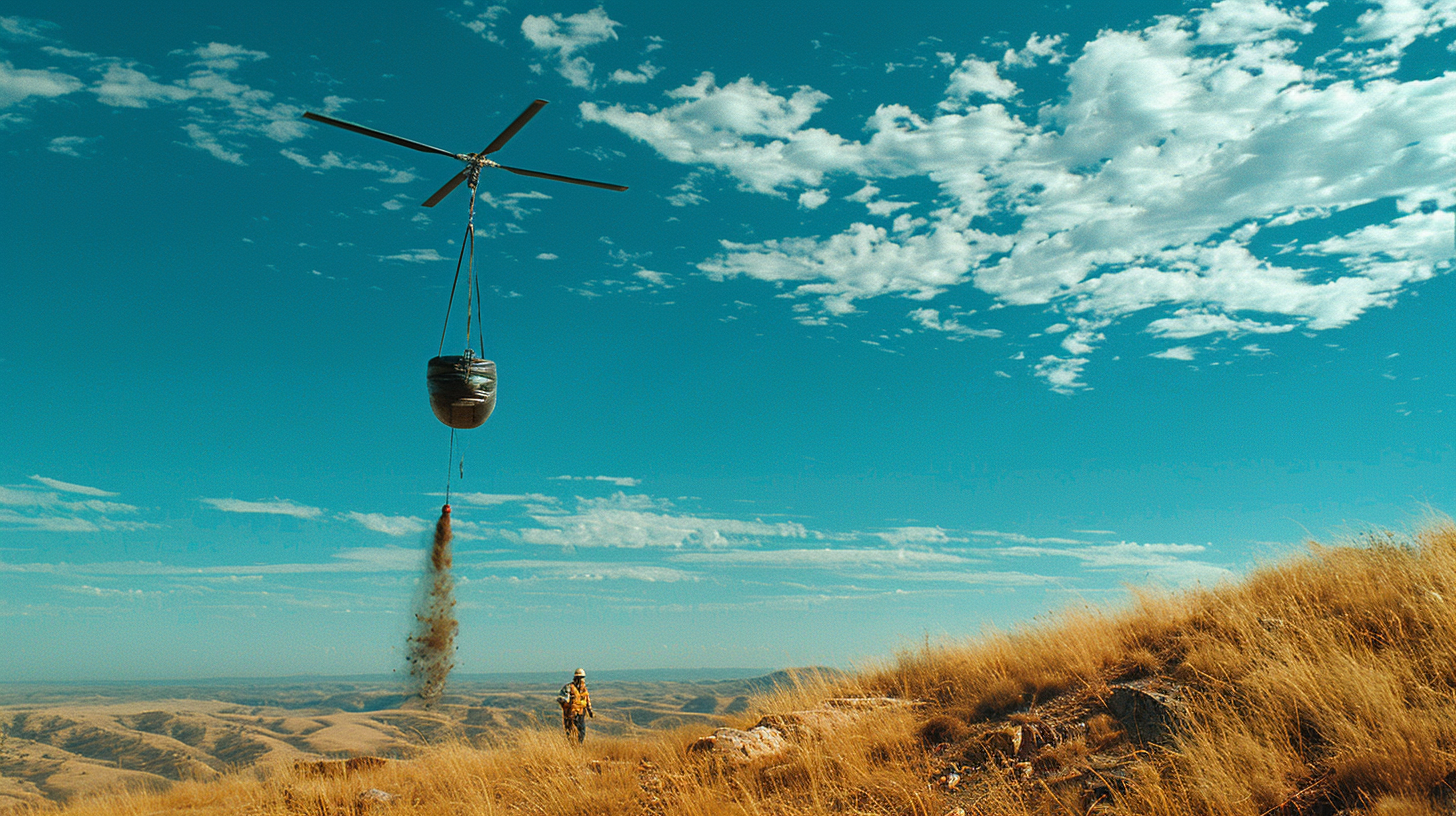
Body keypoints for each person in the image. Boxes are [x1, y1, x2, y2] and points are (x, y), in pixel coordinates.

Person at [561, 667, 593, 743]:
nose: (581, 680)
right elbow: (561, 699)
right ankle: (572, 746)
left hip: (581, 713)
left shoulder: (584, 689)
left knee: (582, 732)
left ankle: (579, 746)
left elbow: (587, 700)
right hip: (570, 714)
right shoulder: (568, 687)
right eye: (579, 678)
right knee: (570, 732)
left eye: (582, 678)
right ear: (575, 678)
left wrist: (590, 711)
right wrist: (568, 703)